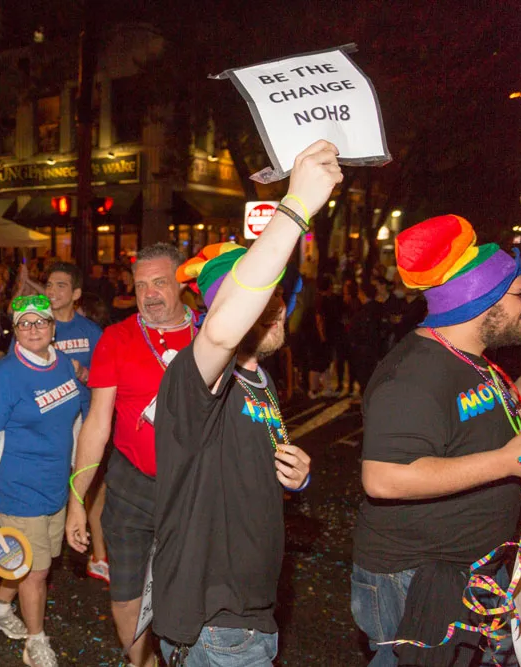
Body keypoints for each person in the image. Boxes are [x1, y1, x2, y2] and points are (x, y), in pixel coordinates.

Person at [151, 140, 335, 666]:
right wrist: (295, 207)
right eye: (262, 299)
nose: (276, 308)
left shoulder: (260, 378)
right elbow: (221, 331)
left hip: (254, 613)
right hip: (216, 622)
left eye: (279, 297)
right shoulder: (193, 379)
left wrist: (294, 477)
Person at [352, 214, 521, 666]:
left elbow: (471, 426)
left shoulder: (470, 357)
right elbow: (384, 478)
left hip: (469, 569)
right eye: (520, 293)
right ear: (483, 301)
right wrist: (509, 460)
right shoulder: (414, 374)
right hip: (415, 579)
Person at [65, 242, 195, 667]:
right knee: (126, 595)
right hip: (131, 486)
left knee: (194, 591)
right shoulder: (117, 338)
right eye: (141, 285)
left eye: (160, 282)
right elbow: (96, 425)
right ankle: (143, 663)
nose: (149, 294)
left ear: (182, 283)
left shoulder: (211, 334)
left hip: (195, 489)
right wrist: (77, 500)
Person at [0, 294, 89, 667]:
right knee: (36, 572)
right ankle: (35, 641)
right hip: (18, 489)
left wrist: (77, 470)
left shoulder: (65, 365)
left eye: (41, 321)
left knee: (33, 562)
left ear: (53, 327)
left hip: (56, 484)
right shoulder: (3, 376)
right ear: (15, 330)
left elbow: (76, 420)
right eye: (25, 323)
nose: (33, 329)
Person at [43, 262, 108, 582]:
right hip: (48, 420)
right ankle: (46, 551)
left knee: (89, 485)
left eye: (61, 285)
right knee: (54, 484)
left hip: (84, 417)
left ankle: (98, 554)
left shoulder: (91, 332)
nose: (52, 291)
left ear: (76, 293)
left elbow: (105, 379)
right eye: (49, 285)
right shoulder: (36, 327)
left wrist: (82, 373)